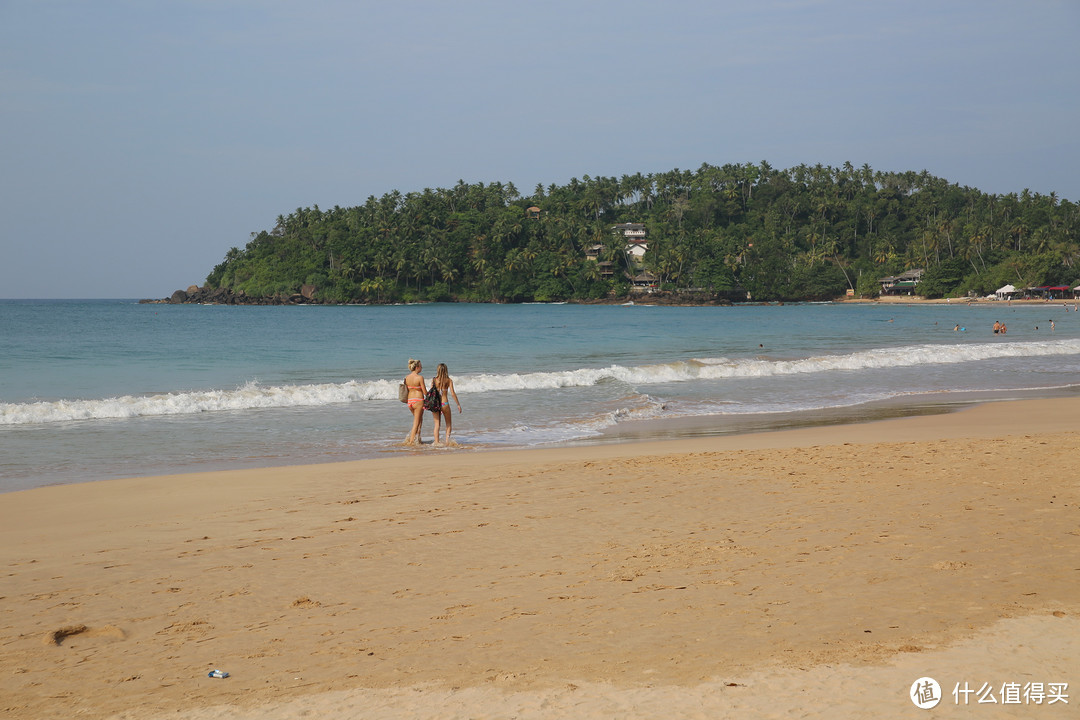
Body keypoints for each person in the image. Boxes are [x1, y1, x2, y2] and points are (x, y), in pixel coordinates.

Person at [429, 363, 462, 446]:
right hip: (445, 403)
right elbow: (453, 393)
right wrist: (458, 404)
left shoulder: (434, 380)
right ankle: (447, 442)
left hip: (436, 404)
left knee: (437, 424)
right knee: (448, 424)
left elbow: (431, 392)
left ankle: (436, 442)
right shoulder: (449, 380)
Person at [404, 358, 426, 444]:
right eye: (421, 366)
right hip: (418, 400)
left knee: (419, 420)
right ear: (417, 367)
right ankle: (412, 442)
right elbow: (424, 392)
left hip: (410, 401)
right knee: (416, 423)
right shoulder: (420, 378)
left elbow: (407, 390)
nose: (421, 368)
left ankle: (418, 439)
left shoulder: (407, 377)